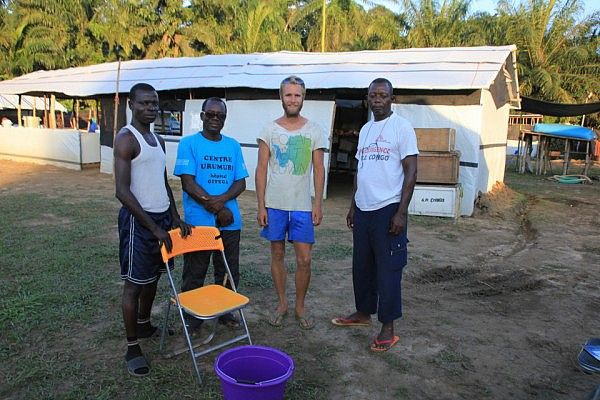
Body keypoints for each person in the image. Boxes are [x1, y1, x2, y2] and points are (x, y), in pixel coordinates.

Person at [331, 78, 418, 352]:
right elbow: (361, 170)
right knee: (362, 266)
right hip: (364, 209)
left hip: (388, 209)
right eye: (372, 95)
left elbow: (411, 172)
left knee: (388, 270)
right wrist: (353, 205)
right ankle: (362, 313)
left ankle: (388, 329)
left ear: (392, 99)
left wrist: (401, 213)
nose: (377, 99)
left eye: (383, 95)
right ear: (367, 99)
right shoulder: (366, 129)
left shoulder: (402, 128)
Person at [114, 82, 191, 377]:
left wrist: (174, 218)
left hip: (160, 221)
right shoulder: (126, 138)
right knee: (135, 284)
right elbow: (122, 191)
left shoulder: (158, 139)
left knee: (154, 278)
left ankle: (144, 325)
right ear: (132, 104)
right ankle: (132, 347)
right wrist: (152, 228)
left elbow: (163, 184)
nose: (150, 109)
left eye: (154, 104)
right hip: (138, 222)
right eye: (144, 103)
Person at [256, 75, 327, 330]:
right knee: (277, 253)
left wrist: (317, 204)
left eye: (297, 95)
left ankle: (300, 306)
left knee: (304, 259)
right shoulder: (269, 129)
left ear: (303, 98)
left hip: (302, 207)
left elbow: (319, 169)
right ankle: (282, 303)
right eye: (289, 95)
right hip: (274, 204)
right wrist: (261, 205)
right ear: (281, 97)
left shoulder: (315, 130)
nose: (293, 99)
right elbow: (261, 168)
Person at [174, 97, 249, 331]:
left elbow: (241, 182)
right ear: (202, 116)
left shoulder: (233, 146)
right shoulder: (188, 143)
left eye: (221, 115)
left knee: (228, 270)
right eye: (211, 114)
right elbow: (188, 183)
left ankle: (225, 312)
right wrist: (217, 207)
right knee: (195, 271)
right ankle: (192, 316)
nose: (215, 118)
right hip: (199, 223)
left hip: (230, 222)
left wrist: (223, 202)